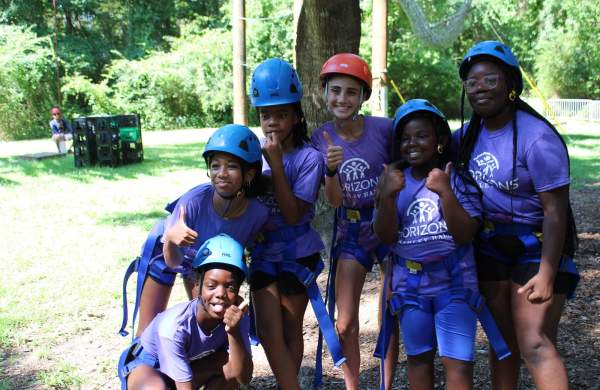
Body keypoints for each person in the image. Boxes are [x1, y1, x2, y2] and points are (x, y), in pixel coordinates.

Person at [455, 41, 579, 389]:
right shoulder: (466, 137)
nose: (480, 88)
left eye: (490, 80)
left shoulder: (537, 139)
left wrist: (547, 273)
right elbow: (417, 143)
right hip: (492, 249)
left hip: (538, 248)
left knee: (535, 343)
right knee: (502, 347)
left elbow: (556, 213)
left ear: (511, 84)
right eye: (472, 82)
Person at [373, 99, 486, 390]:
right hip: (411, 288)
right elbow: (385, 237)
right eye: (406, 138)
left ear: (440, 140)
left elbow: (465, 234)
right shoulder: (394, 181)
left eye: (422, 136)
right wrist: (386, 197)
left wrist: (446, 193)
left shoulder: (455, 179)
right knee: (418, 360)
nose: (413, 143)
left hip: (455, 285)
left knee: (458, 365)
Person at [248, 58, 342, 390]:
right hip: (262, 252)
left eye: (282, 114)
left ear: (296, 116)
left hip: (295, 253)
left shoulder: (308, 158)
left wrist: (274, 164)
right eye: (265, 115)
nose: (272, 122)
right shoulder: (253, 154)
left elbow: (292, 214)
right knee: (266, 330)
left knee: (289, 328)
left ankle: (289, 385)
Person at [134, 124, 270, 337]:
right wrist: (170, 239)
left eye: (232, 166)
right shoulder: (193, 202)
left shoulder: (258, 214)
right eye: (215, 166)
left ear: (249, 173)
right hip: (169, 253)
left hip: (206, 265)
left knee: (210, 324)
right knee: (147, 330)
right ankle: (141, 366)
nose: (221, 174)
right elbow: (173, 262)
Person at [310, 53, 396, 390]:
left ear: (363, 97)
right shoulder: (321, 138)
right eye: (335, 91)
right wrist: (331, 168)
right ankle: (353, 386)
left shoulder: (384, 130)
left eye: (351, 92)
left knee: (391, 311)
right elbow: (332, 201)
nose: (342, 99)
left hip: (389, 226)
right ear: (324, 92)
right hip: (351, 230)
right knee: (344, 324)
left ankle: (386, 384)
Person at [120, 234, 253, 390]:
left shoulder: (237, 317)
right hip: (149, 366)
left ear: (238, 290)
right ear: (196, 286)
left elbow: (243, 377)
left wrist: (234, 332)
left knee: (231, 368)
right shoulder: (174, 327)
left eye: (230, 287)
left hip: (186, 367)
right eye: (211, 285)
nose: (220, 294)